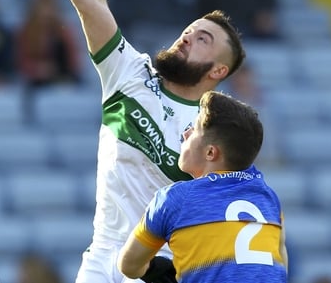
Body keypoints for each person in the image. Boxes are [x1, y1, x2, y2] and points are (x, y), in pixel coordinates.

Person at [30, 0, 246, 283]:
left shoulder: (213, 129)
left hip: (161, 270)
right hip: (101, 259)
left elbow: (221, 221)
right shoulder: (129, 72)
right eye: (189, 30)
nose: (187, 37)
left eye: (203, 40)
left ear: (217, 71)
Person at [117, 90, 287, 283]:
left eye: (194, 129)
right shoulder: (269, 199)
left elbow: (128, 266)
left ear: (210, 152)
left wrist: (156, 269)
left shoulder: (174, 200)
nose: (185, 133)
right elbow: (281, 266)